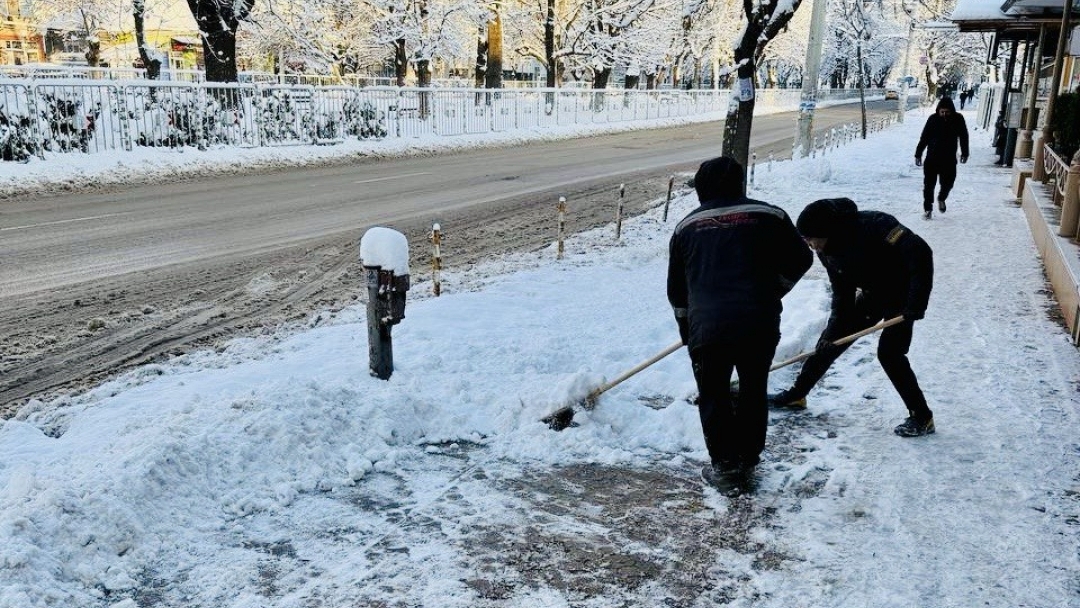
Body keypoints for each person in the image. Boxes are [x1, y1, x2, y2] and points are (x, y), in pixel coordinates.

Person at [667, 156, 812, 492]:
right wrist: (774, 289)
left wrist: (687, 329)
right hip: (758, 322)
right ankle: (748, 458)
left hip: (708, 327)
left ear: (702, 189)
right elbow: (802, 258)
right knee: (752, 388)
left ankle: (726, 467)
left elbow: (677, 290)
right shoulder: (770, 215)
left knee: (713, 394)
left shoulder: (686, 227)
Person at [768, 198, 936, 438]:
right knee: (829, 343)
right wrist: (834, 330)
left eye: (811, 238)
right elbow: (841, 294)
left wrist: (916, 303)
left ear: (826, 231)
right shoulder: (826, 250)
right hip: (874, 293)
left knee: (890, 353)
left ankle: (922, 417)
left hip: (903, 294)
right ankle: (797, 396)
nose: (808, 244)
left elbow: (920, 253)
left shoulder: (877, 225)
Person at [915, 96, 969, 220]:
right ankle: (928, 209)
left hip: (949, 160)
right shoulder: (932, 119)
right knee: (928, 186)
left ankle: (941, 198)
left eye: (947, 112)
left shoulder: (958, 119)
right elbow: (924, 138)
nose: (944, 114)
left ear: (952, 111)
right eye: (942, 112)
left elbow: (964, 136)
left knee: (948, 184)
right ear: (938, 110)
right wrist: (918, 154)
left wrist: (965, 153)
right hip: (932, 159)